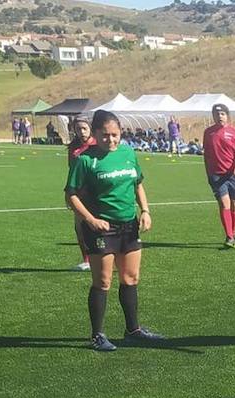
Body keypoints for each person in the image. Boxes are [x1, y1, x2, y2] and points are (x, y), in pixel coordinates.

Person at [64, 109, 164, 352]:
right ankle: (97, 335)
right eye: (105, 135)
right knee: (103, 281)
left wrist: (146, 211)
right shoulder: (85, 159)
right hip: (102, 228)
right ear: (95, 134)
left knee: (131, 278)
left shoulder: (128, 153)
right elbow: (70, 195)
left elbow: (138, 183)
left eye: (115, 134)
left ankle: (133, 330)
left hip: (129, 226)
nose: (111, 140)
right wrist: (90, 219)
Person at [202, 103, 235, 249]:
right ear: (213, 116)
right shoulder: (208, 133)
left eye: (222, 114)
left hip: (233, 175)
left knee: (234, 205)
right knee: (225, 204)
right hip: (217, 176)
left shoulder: (234, 133)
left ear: (227, 116)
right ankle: (229, 236)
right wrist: (208, 173)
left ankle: (233, 234)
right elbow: (206, 155)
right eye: (217, 114)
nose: (219, 117)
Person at [67, 116, 96, 272]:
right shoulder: (73, 147)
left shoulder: (97, 145)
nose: (82, 131)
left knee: (99, 227)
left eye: (84, 128)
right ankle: (87, 260)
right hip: (79, 194)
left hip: (96, 193)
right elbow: (71, 170)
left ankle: (109, 258)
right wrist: (69, 194)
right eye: (78, 129)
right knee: (79, 228)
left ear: (90, 128)